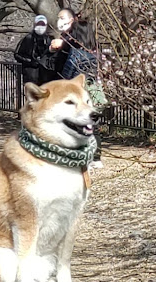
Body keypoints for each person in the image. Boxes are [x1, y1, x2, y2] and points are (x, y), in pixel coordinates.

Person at [46, 8, 104, 168]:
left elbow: (67, 73)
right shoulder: (95, 52)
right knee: (91, 122)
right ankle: (96, 156)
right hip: (91, 89)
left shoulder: (75, 53)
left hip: (75, 91)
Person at [14, 15, 51, 85]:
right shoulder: (28, 38)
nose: (40, 26)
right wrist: (30, 61)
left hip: (45, 76)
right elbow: (17, 54)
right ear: (34, 25)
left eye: (43, 24)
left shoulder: (49, 39)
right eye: (38, 24)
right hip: (30, 74)